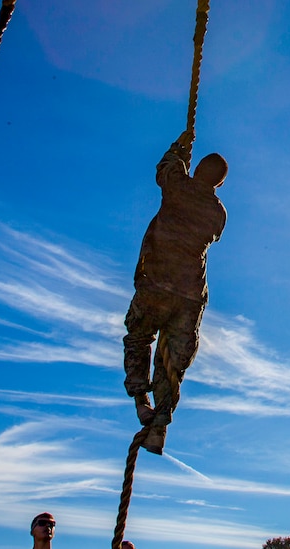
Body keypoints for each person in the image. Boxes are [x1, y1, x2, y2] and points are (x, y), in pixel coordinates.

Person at [122, 131, 227, 455]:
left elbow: (166, 167)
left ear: (196, 172)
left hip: (157, 283)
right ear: (219, 184)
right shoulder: (218, 214)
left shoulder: (177, 186)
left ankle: (142, 401)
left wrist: (180, 147)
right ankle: (161, 424)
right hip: (189, 295)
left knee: (139, 337)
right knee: (172, 364)